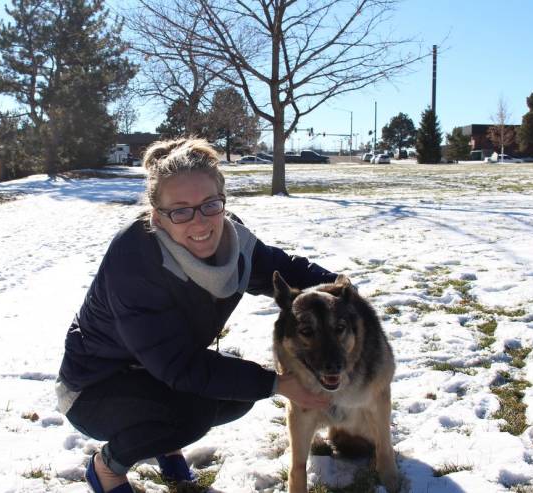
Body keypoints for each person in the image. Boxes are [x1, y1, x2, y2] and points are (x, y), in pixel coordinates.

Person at [56, 137, 337, 493]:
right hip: (94, 386)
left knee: (235, 394)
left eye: (209, 205)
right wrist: (278, 384)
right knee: (193, 412)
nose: (200, 222)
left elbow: (283, 272)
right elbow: (178, 366)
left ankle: (163, 441)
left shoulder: (235, 240)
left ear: (223, 202)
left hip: (154, 370)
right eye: (181, 210)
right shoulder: (134, 259)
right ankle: (107, 468)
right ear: (158, 217)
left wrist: (342, 292)